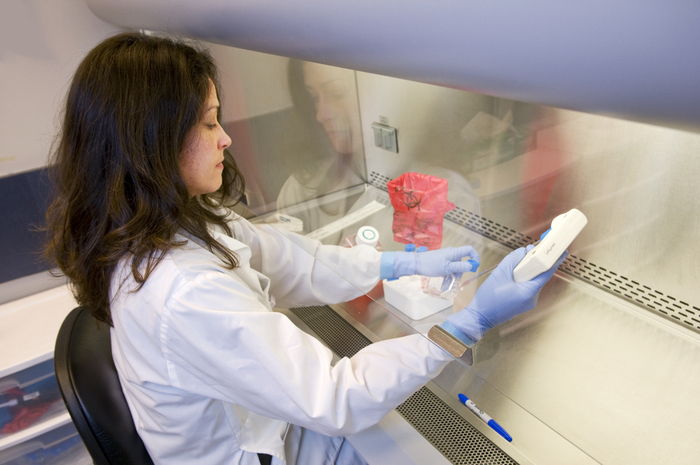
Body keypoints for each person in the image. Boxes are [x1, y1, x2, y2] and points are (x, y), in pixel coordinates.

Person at [45, 32, 566, 465]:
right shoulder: (181, 291)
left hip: (266, 427)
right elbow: (337, 397)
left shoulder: (167, 222)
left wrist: (399, 262)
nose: (225, 138)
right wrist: (465, 325)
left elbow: (289, 259)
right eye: (208, 123)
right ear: (151, 142)